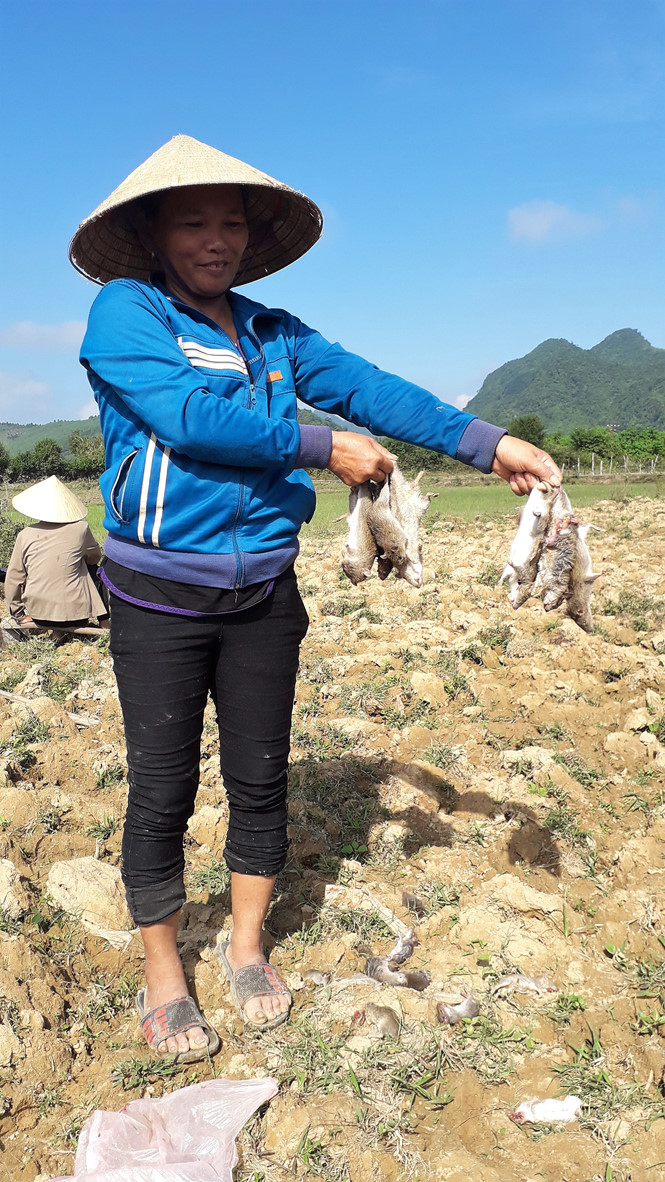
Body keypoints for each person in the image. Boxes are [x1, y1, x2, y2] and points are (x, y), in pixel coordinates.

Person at [70, 134, 561, 1063]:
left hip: (264, 592)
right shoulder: (124, 312)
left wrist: (485, 442)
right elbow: (186, 415)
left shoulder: (274, 334)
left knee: (260, 778)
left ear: (252, 237)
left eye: (230, 223)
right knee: (162, 789)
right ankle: (167, 976)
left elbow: (372, 390)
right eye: (192, 222)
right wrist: (315, 444)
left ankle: (248, 951)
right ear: (152, 231)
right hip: (159, 599)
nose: (215, 241)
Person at [4, 475, 108, 630]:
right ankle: (105, 622)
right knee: (94, 569)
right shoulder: (81, 529)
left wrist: (18, 614)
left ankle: (56, 632)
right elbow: (95, 557)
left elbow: (13, 578)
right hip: (76, 615)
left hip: (38, 614)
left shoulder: (25, 534)